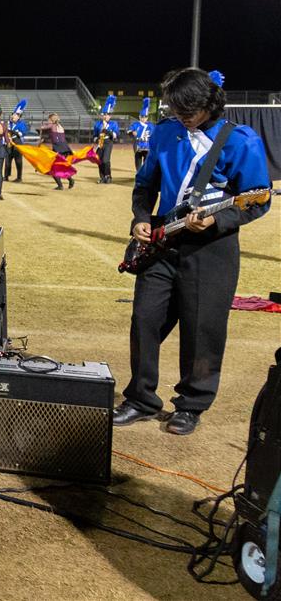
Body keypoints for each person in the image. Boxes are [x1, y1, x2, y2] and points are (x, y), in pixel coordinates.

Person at [113, 68, 271, 436]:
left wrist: (217, 221)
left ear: (209, 104)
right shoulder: (166, 132)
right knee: (145, 320)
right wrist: (140, 218)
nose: (181, 115)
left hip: (211, 250)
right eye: (175, 107)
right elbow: (145, 183)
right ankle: (140, 399)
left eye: (189, 110)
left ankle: (191, 404)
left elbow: (257, 200)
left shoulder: (241, 141)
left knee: (203, 331)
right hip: (163, 244)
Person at [38, 112, 75, 189]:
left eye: (48, 119)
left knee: (53, 168)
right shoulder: (60, 126)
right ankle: (70, 180)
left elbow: (42, 127)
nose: (47, 121)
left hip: (58, 149)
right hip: (65, 148)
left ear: (51, 120)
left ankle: (60, 185)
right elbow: (54, 136)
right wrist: (44, 139)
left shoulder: (52, 125)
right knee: (61, 167)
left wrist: (41, 126)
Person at [93, 94, 119, 183]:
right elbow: (94, 136)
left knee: (105, 160)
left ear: (110, 116)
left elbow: (115, 136)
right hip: (100, 142)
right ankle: (102, 177)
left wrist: (106, 130)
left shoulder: (113, 124)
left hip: (108, 142)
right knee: (99, 161)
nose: (105, 116)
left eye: (107, 115)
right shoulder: (97, 124)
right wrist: (97, 139)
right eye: (104, 114)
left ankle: (108, 176)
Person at [4, 99, 28, 182]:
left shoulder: (22, 124)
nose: (12, 116)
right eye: (12, 115)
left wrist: (13, 132)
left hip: (17, 143)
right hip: (9, 143)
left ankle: (19, 177)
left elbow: (23, 133)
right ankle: (6, 176)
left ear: (18, 116)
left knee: (18, 161)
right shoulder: (8, 123)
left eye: (14, 115)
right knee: (7, 160)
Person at [127, 97, 153, 171]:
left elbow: (155, 134)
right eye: (142, 117)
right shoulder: (135, 124)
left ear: (147, 117)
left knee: (146, 164)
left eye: (145, 117)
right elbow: (129, 131)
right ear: (139, 117)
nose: (144, 118)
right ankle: (138, 175)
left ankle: (144, 177)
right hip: (138, 147)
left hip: (147, 147)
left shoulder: (151, 125)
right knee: (138, 163)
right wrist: (132, 132)